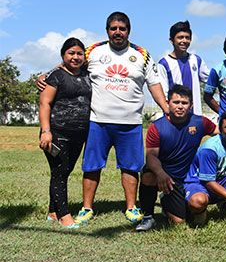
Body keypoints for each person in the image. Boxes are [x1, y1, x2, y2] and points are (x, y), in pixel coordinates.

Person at [58, 12, 169, 225]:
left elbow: (153, 84)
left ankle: (131, 207)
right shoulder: (93, 51)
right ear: (107, 30)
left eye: (122, 28)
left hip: (130, 123)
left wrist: (166, 108)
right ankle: (87, 207)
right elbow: (71, 64)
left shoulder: (142, 54)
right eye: (113, 28)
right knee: (91, 166)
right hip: (98, 121)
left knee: (130, 167)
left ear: (129, 30)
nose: (118, 32)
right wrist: (48, 75)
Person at [136, 85, 218, 231]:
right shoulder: (157, 127)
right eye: (176, 102)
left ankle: (168, 202)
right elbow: (151, 157)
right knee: (148, 174)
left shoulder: (200, 122)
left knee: (178, 222)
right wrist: (161, 174)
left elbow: (221, 132)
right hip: (164, 175)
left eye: (184, 103)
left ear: (191, 105)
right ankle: (148, 217)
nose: (180, 106)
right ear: (168, 103)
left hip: (185, 178)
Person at [38, 37, 91, 229]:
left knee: (65, 171)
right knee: (60, 171)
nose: (75, 57)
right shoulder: (56, 76)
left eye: (79, 53)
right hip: (56, 132)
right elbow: (45, 103)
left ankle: (53, 210)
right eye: (71, 53)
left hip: (79, 134)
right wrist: (46, 131)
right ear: (63, 55)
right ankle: (64, 215)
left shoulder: (87, 73)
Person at [157, 20, 210, 116]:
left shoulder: (196, 60)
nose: (184, 41)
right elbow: (163, 93)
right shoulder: (163, 64)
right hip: (174, 118)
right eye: (180, 37)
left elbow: (211, 80)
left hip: (195, 116)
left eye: (187, 38)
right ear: (171, 40)